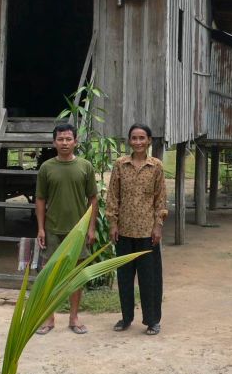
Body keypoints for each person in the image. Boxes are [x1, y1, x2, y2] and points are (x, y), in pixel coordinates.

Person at [35, 123, 98, 335]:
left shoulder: (85, 166)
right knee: (49, 275)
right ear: (54, 142)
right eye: (60, 139)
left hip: (78, 232)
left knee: (76, 276)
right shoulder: (46, 168)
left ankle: (74, 317)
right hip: (52, 229)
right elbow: (41, 200)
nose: (64, 143)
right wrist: (41, 229)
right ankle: (48, 319)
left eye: (68, 139)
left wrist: (91, 228)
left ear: (75, 142)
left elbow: (93, 199)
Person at [105, 123, 167, 336]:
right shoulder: (120, 165)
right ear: (129, 141)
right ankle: (126, 317)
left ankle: (152, 320)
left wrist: (158, 226)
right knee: (124, 278)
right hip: (124, 232)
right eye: (134, 138)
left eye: (142, 138)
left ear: (149, 140)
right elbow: (113, 196)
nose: (138, 142)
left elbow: (161, 199)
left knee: (150, 279)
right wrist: (113, 223)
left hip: (147, 233)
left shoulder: (156, 166)